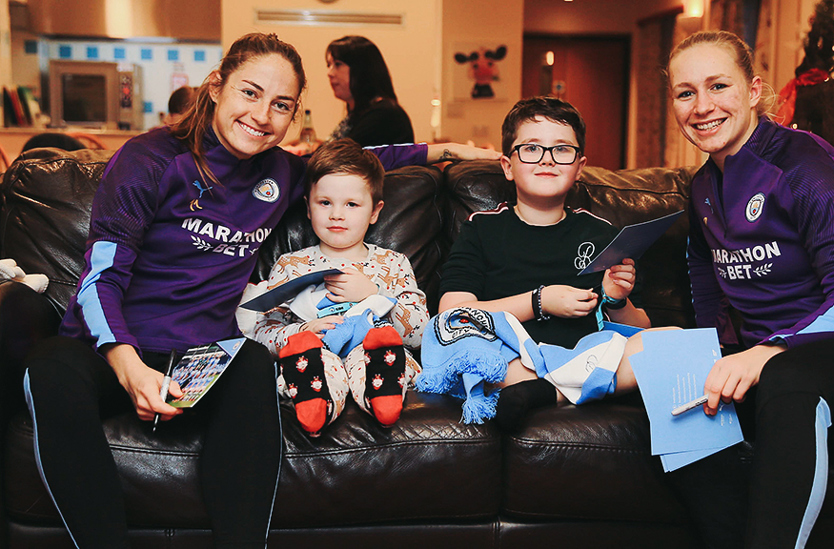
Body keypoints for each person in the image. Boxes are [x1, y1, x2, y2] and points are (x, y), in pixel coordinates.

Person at [21, 31, 497, 548]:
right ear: (216, 86)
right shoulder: (148, 160)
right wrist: (128, 364)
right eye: (250, 93)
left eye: (281, 104)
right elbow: (100, 277)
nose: (262, 115)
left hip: (202, 352)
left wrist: (449, 148)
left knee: (251, 366)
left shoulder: (281, 171)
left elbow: (354, 161)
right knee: (48, 369)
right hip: (115, 347)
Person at [667, 30, 834, 548]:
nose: (702, 106)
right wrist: (713, 353)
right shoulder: (703, 186)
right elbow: (705, 282)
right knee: (674, 392)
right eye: (685, 93)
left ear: (753, 91)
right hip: (778, 363)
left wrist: (768, 351)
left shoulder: (805, 165)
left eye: (718, 86)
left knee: (788, 383)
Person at [421, 96, 654, 431]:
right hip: (513, 360)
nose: (547, 160)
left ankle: (549, 391)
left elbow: (639, 327)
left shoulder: (602, 233)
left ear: (580, 166)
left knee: (668, 339)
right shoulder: (482, 228)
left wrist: (617, 299)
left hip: (583, 353)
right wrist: (540, 301)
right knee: (452, 335)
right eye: (531, 149)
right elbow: (453, 312)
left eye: (562, 150)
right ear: (507, 165)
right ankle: (569, 387)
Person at [247, 138, 429, 435]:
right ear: (308, 207)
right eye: (325, 203)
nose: (337, 214)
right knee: (308, 359)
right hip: (317, 354)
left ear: (374, 211)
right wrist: (302, 331)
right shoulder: (291, 265)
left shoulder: (394, 263)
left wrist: (375, 294)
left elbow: (421, 333)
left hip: (373, 354)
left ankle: (381, 393)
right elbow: (262, 335)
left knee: (382, 356)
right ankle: (316, 403)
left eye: (352, 204)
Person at [326, 35, 414, 147]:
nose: (330, 73)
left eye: (338, 64)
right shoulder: (358, 113)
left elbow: (337, 157)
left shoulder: (384, 115)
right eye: (329, 65)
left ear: (361, 70)